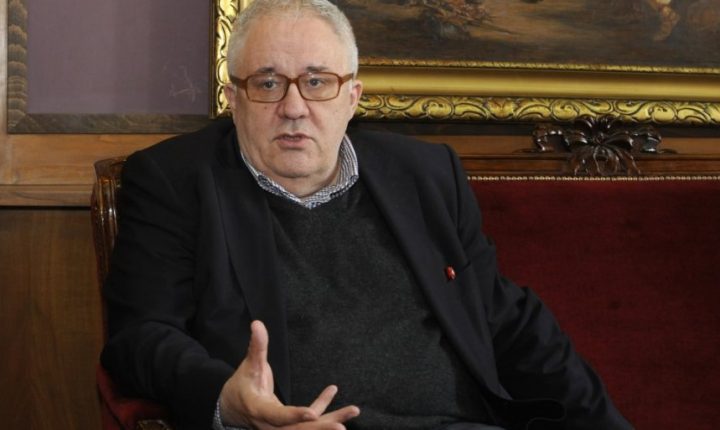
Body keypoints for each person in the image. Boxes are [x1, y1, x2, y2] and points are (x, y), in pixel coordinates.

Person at [100, 0, 633, 429]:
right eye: (266, 83)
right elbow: (140, 336)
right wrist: (227, 400)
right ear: (233, 98)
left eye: (317, 81)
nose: (293, 107)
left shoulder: (424, 174)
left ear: (352, 97)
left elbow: (508, 321)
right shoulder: (175, 180)